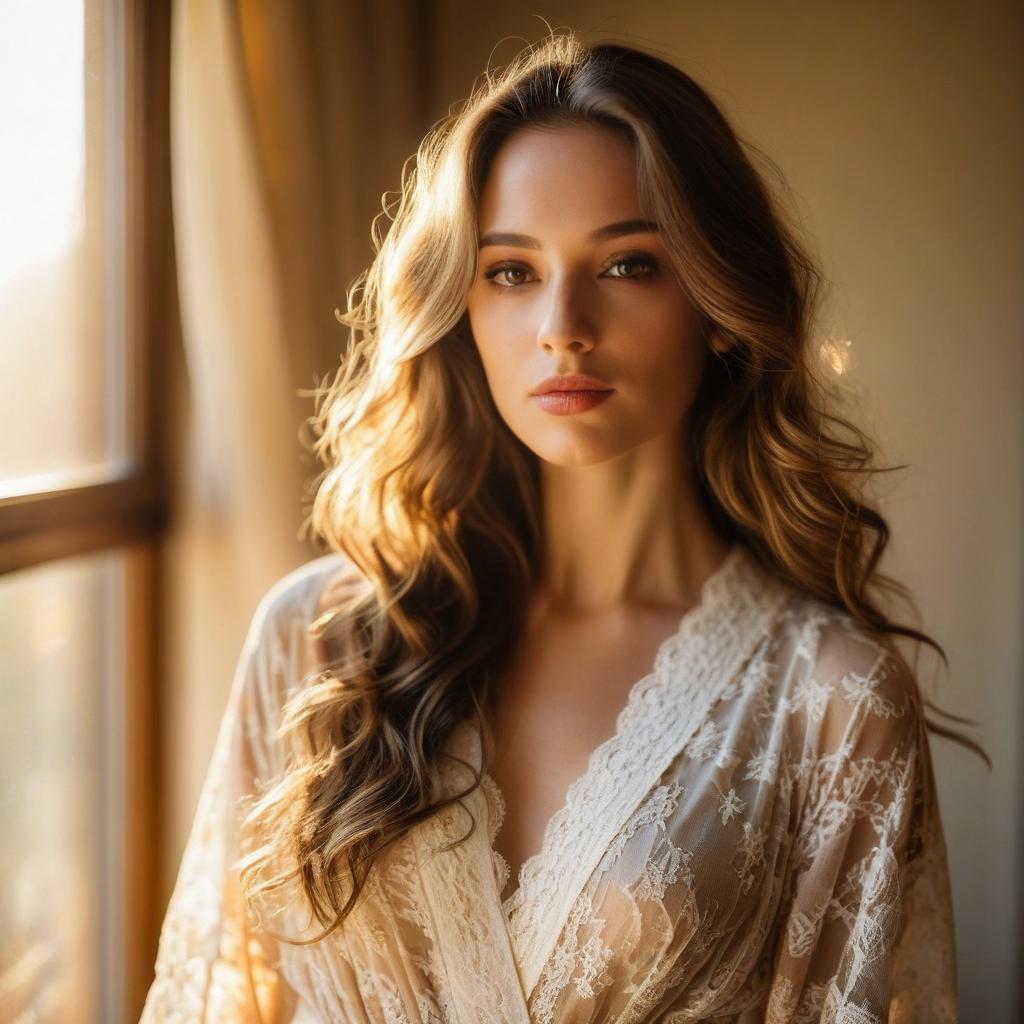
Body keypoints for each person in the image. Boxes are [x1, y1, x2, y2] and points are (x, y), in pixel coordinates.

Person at [141, 30, 977, 1023]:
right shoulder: (317, 642)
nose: (562, 326)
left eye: (627, 265)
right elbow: (215, 997)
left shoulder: (833, 701)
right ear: (460, 307)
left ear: (718, 304)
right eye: (511, 272)